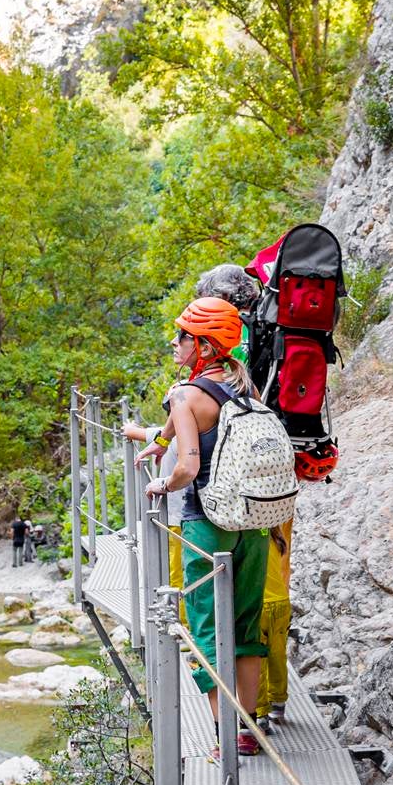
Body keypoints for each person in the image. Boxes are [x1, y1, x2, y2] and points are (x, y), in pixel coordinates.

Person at [137, 298, 276, 753]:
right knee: (245, 625)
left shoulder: (184, 395)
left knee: (205, 628)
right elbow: (182, 428)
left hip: (207, 523)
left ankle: (224, 737)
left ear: (202, 345)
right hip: (253, 523)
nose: (175, 343)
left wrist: (164, 483)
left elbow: (190, 466)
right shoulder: (244, 384)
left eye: (182, 336)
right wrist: (160, 441)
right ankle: (250, 731)